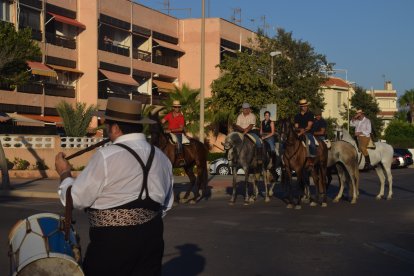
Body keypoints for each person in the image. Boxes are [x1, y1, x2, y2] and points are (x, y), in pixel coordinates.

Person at [55, 97, 174, 276]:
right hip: (152, 240)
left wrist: (64, 173)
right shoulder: (162, 158)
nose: (106, 130)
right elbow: (166, 205)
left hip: (112, 244)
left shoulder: (106, 156)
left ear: (116, 127)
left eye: (107, 126)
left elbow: (75, 199)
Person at [161, 100, 186, 166]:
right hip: (168, 133)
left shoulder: (181, 117)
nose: (177, 108)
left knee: (179, 143)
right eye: (175, 107)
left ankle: (181, 159)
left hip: (178, 133)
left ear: (179, 108)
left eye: (178, 107)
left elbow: (181, 129)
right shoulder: (169, 115)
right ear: (173, 107)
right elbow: (162, 121)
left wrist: (171, 130)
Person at [294, 99, 316, 164]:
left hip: (308, 133)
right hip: (299, 133)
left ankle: (312, 160)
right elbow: (296, 126)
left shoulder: (310, 114)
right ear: (300, 107)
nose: (305, 107)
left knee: (312, 145)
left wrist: (301, 132)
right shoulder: (297, 116)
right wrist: (298, 130)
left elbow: (309, 127)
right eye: (303, 106)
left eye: (306, 106)